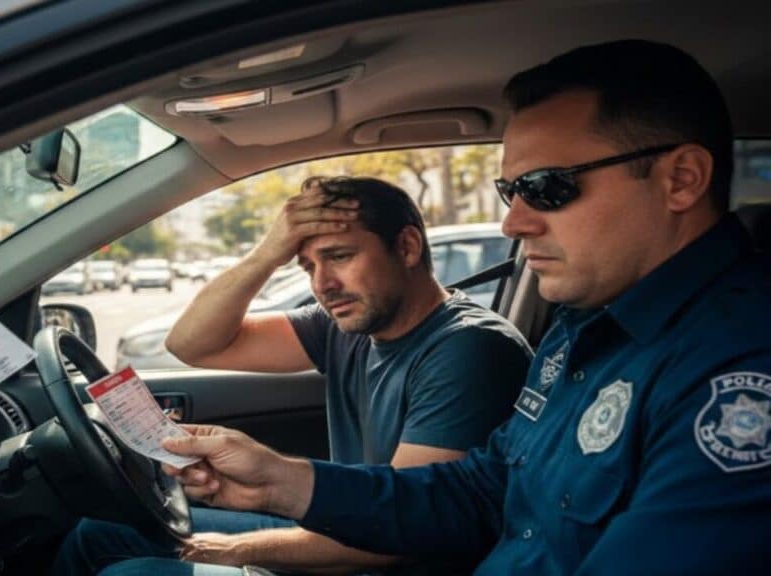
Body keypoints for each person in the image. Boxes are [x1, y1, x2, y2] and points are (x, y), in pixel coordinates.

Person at [100, 39, 771, 575]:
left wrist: (238, 548)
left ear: (680, 179)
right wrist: (284, 481)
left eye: (546, 187)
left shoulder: (739, 373)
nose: (513, 222)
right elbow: (481, 492)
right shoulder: (586, 330)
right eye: (510, 188)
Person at [53, 176, 532, 575]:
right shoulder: (344, 326)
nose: (322, 284)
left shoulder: (469, 350)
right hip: (348, 529)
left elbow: (402, 533)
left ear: (406, 247)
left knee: (129, 572)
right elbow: (192, 343)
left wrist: (237, 550)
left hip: (384, 563)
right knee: (99, 533)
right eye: (307, 266)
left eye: (340, 256)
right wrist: (267, 253)